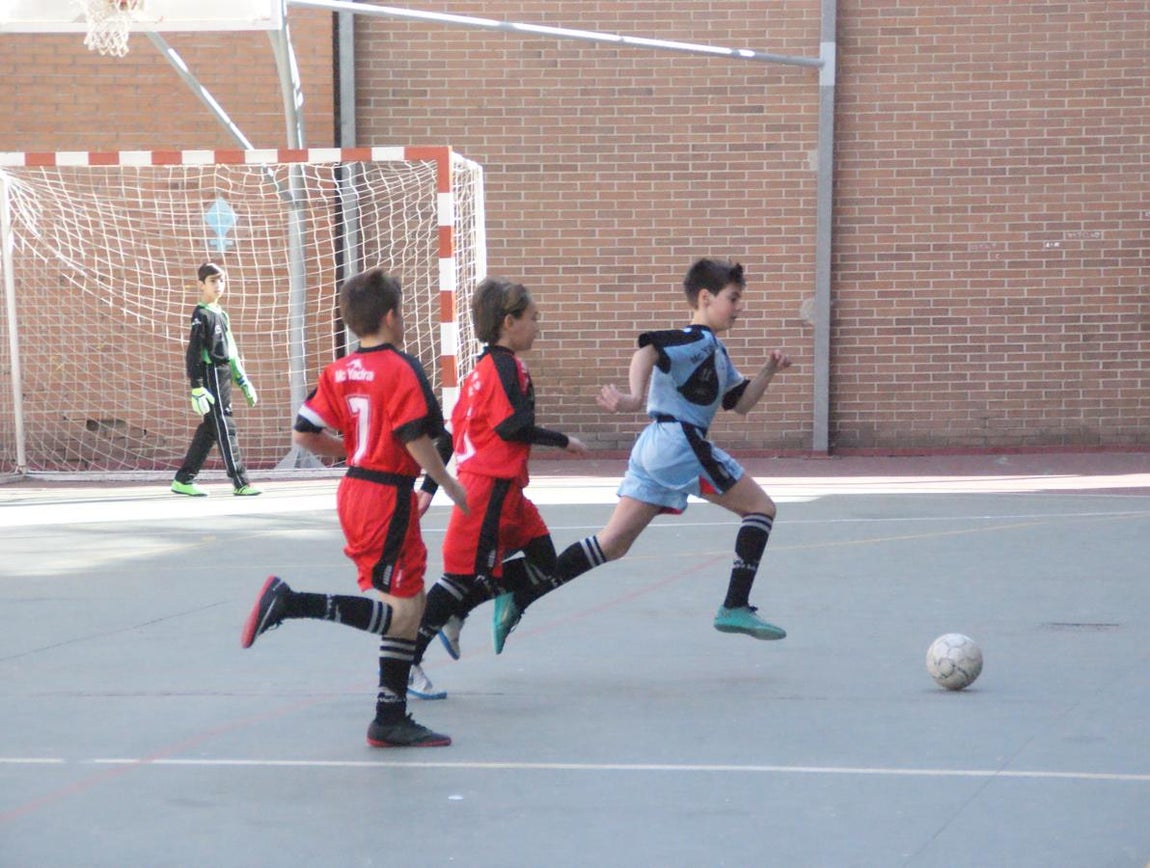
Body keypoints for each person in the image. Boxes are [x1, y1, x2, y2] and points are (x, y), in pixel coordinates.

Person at [489, 256, 793, 652]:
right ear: (705, 297)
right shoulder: (695, 339)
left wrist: (768, 371)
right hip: (680, 443)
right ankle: (734, 605)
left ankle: (518, 596)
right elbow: (648, 349)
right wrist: (634, 397)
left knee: (612, 543)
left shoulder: (715, 352)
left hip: (655, 447)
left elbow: (740, 403)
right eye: (733, 299)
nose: (740, 308)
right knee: (761, 509)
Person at [239, 267, 469, 748]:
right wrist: (445, 481)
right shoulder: (401, 368)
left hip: (356, 489)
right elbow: (414, 436)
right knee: (404, 612)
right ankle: (291, 602)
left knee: (409, 605)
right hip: (386, 495)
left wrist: (349, 453)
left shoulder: (338, 370)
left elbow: (303, 432)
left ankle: (389, 716)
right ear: (390, 316)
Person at [406, 277, 587, 700]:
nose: (537, 326)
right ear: (509, 322)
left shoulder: (481, 372)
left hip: (510, 493)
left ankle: (461, 610)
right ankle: (407, 664)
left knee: (544, 563)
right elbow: (511, 427)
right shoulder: (501, 369)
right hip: (486, 491)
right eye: (533, 318)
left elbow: (452, 435)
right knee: (458, 578)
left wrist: (428, 488)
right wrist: (563, 441)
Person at [171, 262, 261, 497]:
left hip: (224, 374)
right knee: (224, 425)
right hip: (210, 375)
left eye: (221, 280)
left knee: (210, 430)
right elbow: (194, 352)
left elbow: (231, 350)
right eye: (213, 281)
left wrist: (242, 380)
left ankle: (183, 479)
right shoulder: (201, 314)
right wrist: (197, 386)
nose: (218, 285)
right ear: (201, 285)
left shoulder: (222, 314)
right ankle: (241, 482)